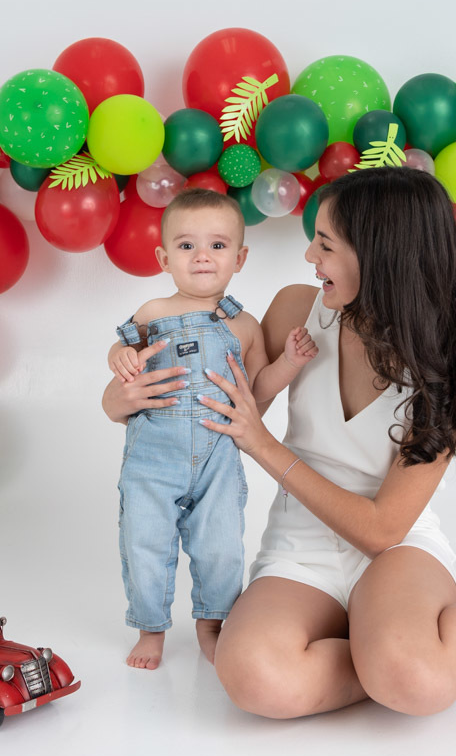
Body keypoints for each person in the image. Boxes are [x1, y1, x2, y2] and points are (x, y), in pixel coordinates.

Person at [102, 168, 456, 715]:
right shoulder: (295, 311)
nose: (309, 255)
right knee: (254, 678)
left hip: (394, 550)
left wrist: (262, 445)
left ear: (379, 256)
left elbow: (382, 530)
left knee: (413, 684)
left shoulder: (444, 365)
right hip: (299, 546)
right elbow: (220, 404)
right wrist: (119, 401)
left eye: (326, 244)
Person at [108, 188, 318, 670]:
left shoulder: (244, 326)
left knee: (221, 544)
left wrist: (289, 362)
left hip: (218, 453)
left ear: (239, 258)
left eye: (218, 246)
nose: (202, 256)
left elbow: (257, 388)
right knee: (144, 541)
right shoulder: (152, 312)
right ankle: (150, 628)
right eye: (187, 246)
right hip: (153, 453)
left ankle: (211, 623)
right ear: (164, 258)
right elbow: (121, 350)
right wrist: (119, 357)